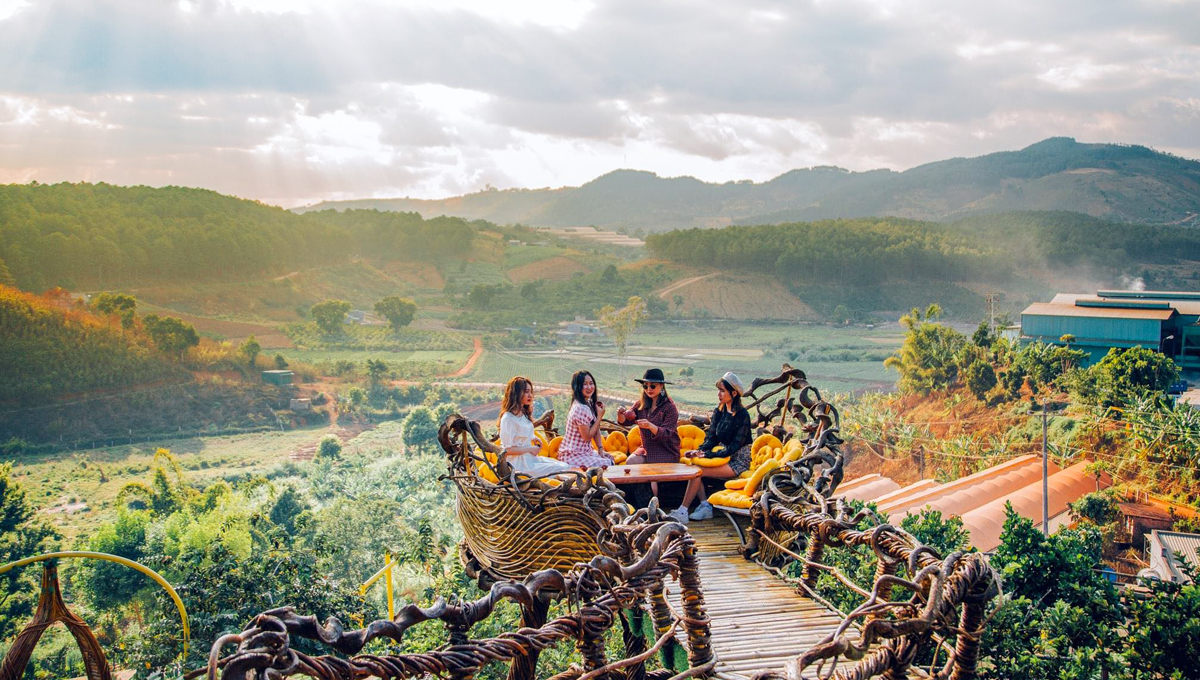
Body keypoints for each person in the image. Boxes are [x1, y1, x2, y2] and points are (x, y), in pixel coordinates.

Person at [679, 372, 752, 521]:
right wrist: (699, 451)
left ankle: (682, 511)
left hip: (739, 459)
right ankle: (705, 506)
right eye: (718, 390)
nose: (719, 394)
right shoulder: (720, 411)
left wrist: (708, 455)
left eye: (722, 391)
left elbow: (734, 447)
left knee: (698, 472)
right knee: (694, 467)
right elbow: (711, 437)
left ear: (734, 393)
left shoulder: (742, 415)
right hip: (724, 455)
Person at [616, 368, 685, 522]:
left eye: (652, 386)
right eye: (645, 386)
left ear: (662, 386)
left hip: (666, 450)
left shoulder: (669, 407)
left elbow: (667, 434)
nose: (649, 389)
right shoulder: (641, 404)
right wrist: (621, 414)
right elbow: (626, 421)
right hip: (648, 448)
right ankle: (637, 504)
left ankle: (652, 512)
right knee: (631, 461)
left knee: (651, 473)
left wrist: (650, 426)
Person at [497, 376, 572, 478]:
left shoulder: (522, 413)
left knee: (564, 466)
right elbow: (506, 450)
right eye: (526, 392)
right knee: (558, 469)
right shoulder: (508, 418)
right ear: (516, 393)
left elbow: (521, 434)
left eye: (531, 392)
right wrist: (529, 449)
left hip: (530, 459)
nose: (530, 395)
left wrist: (533, 438)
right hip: (518, 465)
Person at [558, 371, 615, 469]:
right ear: (577, 387)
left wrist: (600, 449)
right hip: (573, 455)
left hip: (585, 452)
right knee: (607, 464)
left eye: (591, 383)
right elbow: (587, 437)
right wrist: (599, 417)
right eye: (585, 384)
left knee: (609, 458)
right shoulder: (581, 408)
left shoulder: (587, 403)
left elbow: (595, 429)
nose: (589, 387)